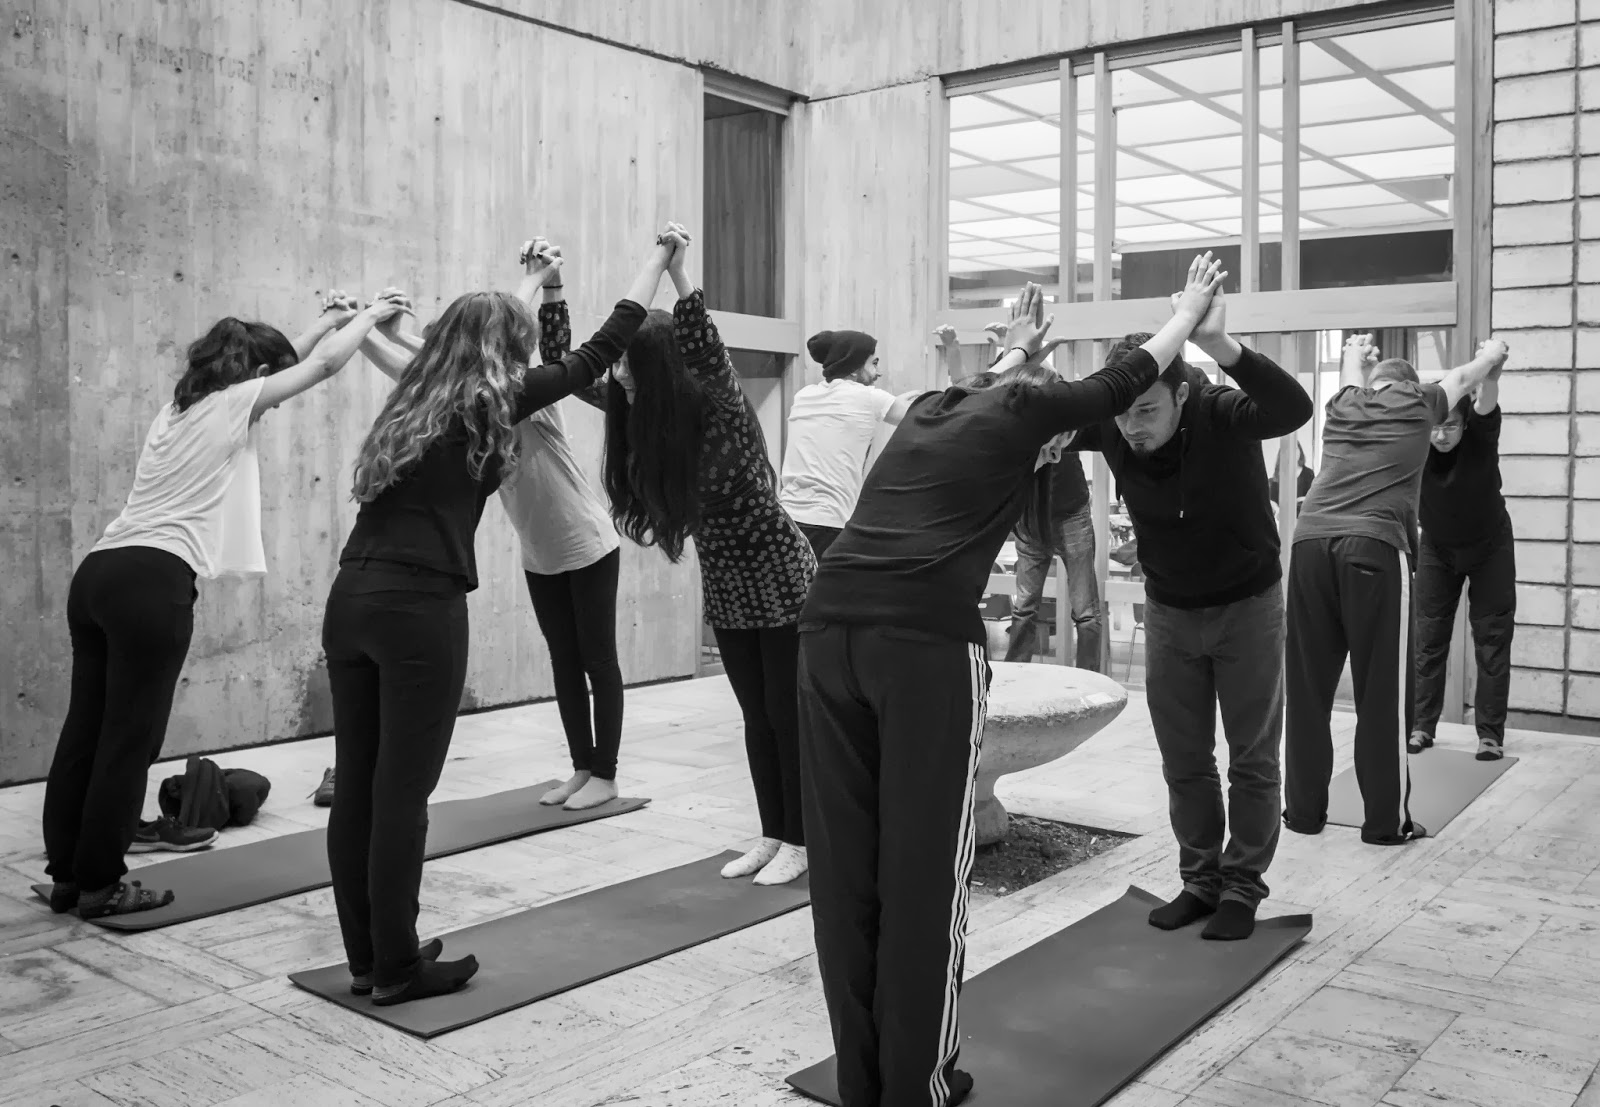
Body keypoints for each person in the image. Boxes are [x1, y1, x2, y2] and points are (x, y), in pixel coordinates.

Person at [798, 256, 1226, 1107]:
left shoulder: (937, 405)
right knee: (924, 871)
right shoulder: (1031, 414)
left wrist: (1018, 347)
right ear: (1050, 430)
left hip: (824, 631)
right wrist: (1186, 313)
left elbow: (990, 377)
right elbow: (1124, 377)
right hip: (920, 644)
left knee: (845, 872)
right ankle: (918, 1086)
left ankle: (863, 1081)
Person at [321, 229, 673, 1005]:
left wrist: (534, 279)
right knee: (399, 794)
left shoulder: (417, 394)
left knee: (358, 788)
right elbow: (606, 343)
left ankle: (368, 959)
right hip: (419, 607)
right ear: (504, 352)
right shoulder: (494, 398)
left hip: (351, 598)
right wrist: (655, 259)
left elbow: (474, 333)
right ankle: (398, 966)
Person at [41, 298, 395, 919]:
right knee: (128, 741)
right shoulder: (235, 404)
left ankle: (68, 877)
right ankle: (101, 883)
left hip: (98, 573)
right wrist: (369, 316)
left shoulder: (176, 410)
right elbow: (318, 368)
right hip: (152, 581)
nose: (271, 404)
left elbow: (283, 366)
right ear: (255, 377)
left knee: (85, 732)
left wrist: (324, 321)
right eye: (268, 389)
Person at [1063, 290, 1312, 940]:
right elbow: (1032, 416)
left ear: (1180, 394)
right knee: (1184, 759)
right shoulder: (1116, 423)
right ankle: (1200, 881)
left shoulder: (1219, 409)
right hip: (1170, 610)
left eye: (1146, 410)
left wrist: (1221, 345)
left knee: (1253, 757)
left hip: (1247, 604)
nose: (1131, 427)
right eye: (1122, 414)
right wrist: (1021, 358)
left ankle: (1242, 887)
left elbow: (1293, 409)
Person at [355, 244, 630, 813]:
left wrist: (542, 281)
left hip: (588, 542)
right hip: (540, 550)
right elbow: (424, 370)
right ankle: (582, 768)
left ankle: (605, 773)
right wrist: (361, 335)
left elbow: (457, 358)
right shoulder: (467, 402)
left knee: (597, 661)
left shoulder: (527, 392)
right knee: (563, 662)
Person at [601, 224, 815, 887]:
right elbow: (574, 365)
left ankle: (803, 840)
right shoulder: (650, 419)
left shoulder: (719, 405)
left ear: (659, 367)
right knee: (756, 717)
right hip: (727, 583)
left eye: (630, 365)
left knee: (787, 715)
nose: (619, 376)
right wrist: (552, 291)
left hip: (781, 576)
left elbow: (704, 342)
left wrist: (675, 269)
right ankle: (773, 833)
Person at [1284, 334, 1510, 846]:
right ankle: (1385, 824)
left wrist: (1354, 354)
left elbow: (1349, 373)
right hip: (1372, 546)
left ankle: (1302, 814)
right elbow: (1464, 377)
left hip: (1310, 544)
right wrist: (1493, 355)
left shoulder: (1345, 402)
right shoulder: (1418, 401)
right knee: (1381, 695)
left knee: (1307, 691)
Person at [935, 329, 1102, 669]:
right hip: (1030, 518)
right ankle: (1017, 671)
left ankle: (1090, 678)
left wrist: (1020, 348)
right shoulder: (1009, 422)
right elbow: (973, 390)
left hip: (1069, 514)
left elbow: (1044, 382)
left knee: (1085, 611)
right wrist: (1001, 348)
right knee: (1024, 606)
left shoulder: (1059, 414)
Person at [1411, 372, 1515, 761]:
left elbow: (1486, 400)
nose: (1441, 436)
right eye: (1435, 427)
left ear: (1465, 423)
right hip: (1437, 547)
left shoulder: (1480, 435)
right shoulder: (1414, 443)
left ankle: (1490, 734)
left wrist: (1490, 372)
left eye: (1450, 426)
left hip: (1490, 547)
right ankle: (1422, 725)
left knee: (1492, 639)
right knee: (1429, 638)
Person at [778, 329, 916, 560]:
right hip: (829, 522)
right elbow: (922, 417)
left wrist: (891, 403)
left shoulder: (804, 395)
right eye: (874, 363)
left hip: (788, 519)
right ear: (853, 367)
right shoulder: (868, 397)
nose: (878, 372)